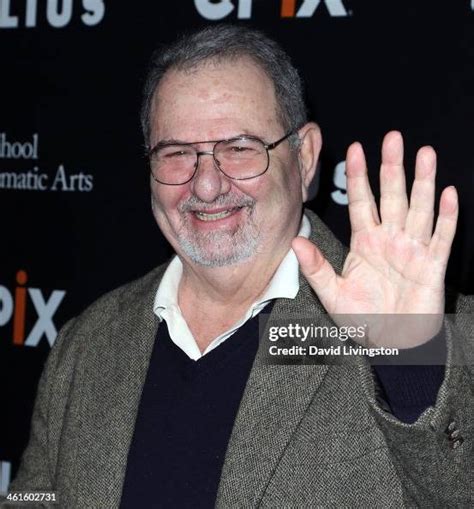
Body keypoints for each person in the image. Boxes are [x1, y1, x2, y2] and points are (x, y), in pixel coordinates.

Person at [7, 24, 473, 508]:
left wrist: (410, 361)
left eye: (240, 148)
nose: (206, 185)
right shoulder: (86, 343)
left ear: (305, 155)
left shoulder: (438, 343)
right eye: (178, 153)